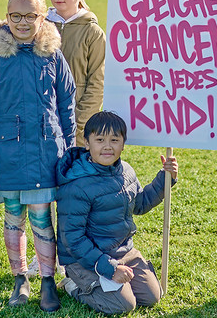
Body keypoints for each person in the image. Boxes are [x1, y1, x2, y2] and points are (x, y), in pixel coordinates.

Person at [0, 0, 76, 313]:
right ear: (6, 17)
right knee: (13, 216)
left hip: (46, 154)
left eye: (31, 16)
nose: (23, 23)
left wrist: (67, 150)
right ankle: (19, 278)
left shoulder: (53, 54)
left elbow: (67, 103)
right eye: (16, 16)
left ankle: (46, 280)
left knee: (42, 218)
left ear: (43, 19)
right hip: (8, 156)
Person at [55, 111, 178, 315]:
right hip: (86, 260)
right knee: (123, 305)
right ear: (87, 143)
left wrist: (165, 178)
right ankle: (73, 284)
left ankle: (118, 280)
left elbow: (140, 203)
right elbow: (73, 240)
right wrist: (109, 268)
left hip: (124, 252)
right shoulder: (76, 186)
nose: (107, 146)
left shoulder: (126, 171)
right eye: (100, 139)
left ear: (123, 144)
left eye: (114, 140)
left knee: (152, 297)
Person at [47, 0, 106, 144]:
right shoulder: (40, 26)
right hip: (43, 122)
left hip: (76, 128)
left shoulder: (92, 32)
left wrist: (79, 123)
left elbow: (97, 83)